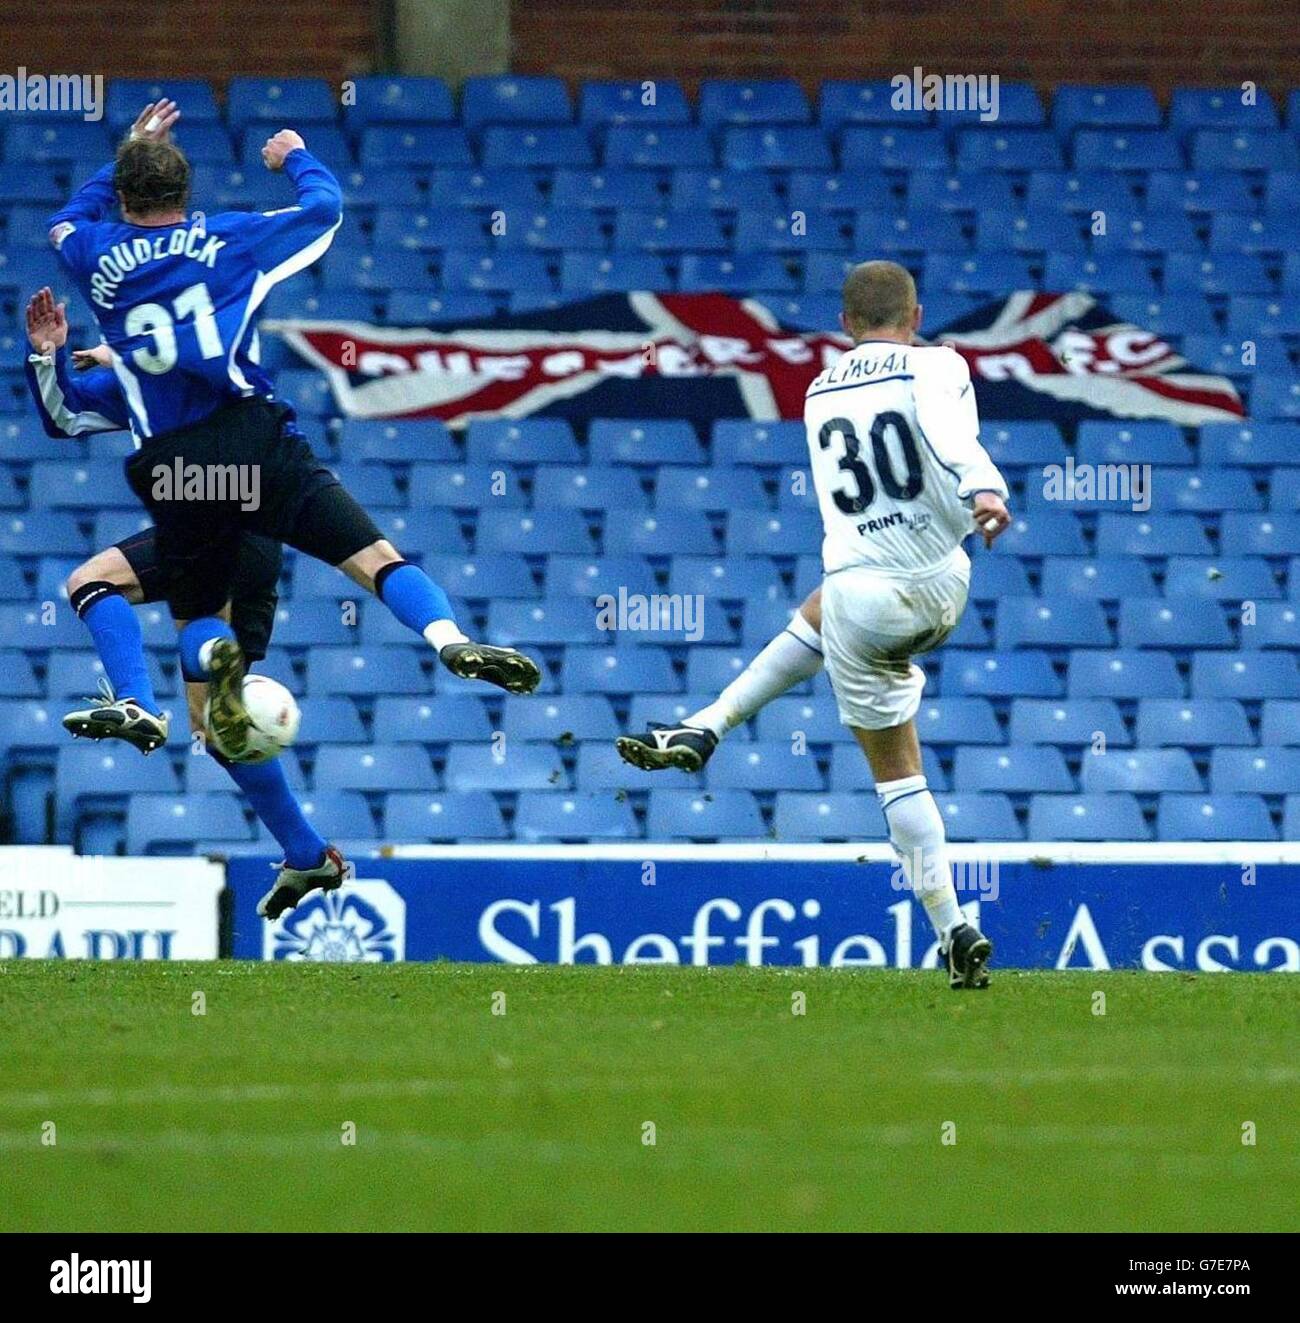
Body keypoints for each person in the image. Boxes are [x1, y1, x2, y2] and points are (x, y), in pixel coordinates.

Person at [47, 100, 540, 764]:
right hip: (256, 438)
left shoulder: (93, 253)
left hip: (179, 464)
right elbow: (324, 207)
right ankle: (448, 637)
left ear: (124, 197)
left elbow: (65, 224)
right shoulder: (229, 237)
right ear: (187, 197)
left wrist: (126, 155)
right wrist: (294, 155)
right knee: (375, 557)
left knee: (197, 624)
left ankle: (169, 683)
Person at [625, 260, 1012, 989]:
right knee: (825, 616)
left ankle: (955, 927)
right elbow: (948, 433)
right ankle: (707, 723)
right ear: (917, 314)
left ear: (844, 324)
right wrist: (985, 487)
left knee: (896, 771)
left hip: (864, 596)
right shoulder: (940, 366)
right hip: (943, 581)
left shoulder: (818, 388)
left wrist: (974, 482)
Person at [23, 285, 342, 919]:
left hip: (235, 520)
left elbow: (203, 362)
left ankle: (139, 703)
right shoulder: (146, 378)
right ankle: (307, 856)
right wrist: (48, 358)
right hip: (227, 531)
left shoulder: (217, 364)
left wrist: (120, 356)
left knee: (95, 583)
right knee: (215, 728)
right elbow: (67, 419)